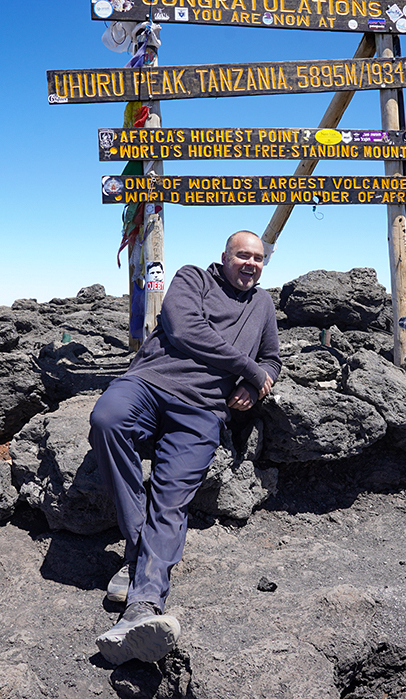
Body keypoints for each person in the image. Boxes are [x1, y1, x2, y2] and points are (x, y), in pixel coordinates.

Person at [88, 230, 281, 665]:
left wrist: (256, 387)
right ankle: (140, 555)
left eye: (257, 259)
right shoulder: (193, 277)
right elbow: (183, 328)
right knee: (106, 420)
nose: (250, 264)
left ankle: (141, 608)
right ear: (224, 257)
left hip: (203, 410)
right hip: (150, 383)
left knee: (171, 496)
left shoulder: (263, 305)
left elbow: (272, 360)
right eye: (242, 256)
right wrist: (247, 368)